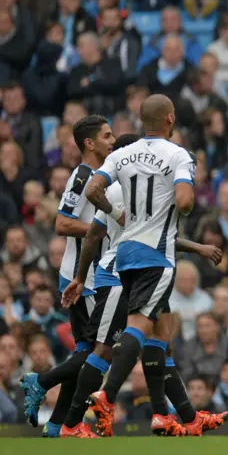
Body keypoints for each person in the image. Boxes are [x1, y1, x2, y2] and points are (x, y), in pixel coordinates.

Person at [60, 134, 227, 437]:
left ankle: (176, 416)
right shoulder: (126, 188)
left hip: (141, 264)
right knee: (105, 348)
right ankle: (74, 419)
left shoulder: (134, 185)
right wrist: (81, 277)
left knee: (161, 341)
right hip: (122, 272)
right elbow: (94, 234)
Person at [80, 94, 196, 437]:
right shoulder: (179, 155)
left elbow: (92, 189)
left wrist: (118, 213)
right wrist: (178, 206)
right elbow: (186, 202)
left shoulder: (120, 154)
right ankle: (107, 394)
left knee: (159, 332)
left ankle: (166, 414)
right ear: (171, 119)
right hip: (157, 254)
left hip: (126, 252)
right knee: (139, 327)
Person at [20, 115, 114, 437]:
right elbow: (61, 224)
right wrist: (102, 229)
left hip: (93, 276)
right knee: (97, 352)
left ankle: (56, 426)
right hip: (82, 278)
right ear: (89, 143)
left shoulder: (103, 175)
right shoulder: (82, 176)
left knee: (86, 353)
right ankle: (41, 381)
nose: (112, 141)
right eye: (106, 135)